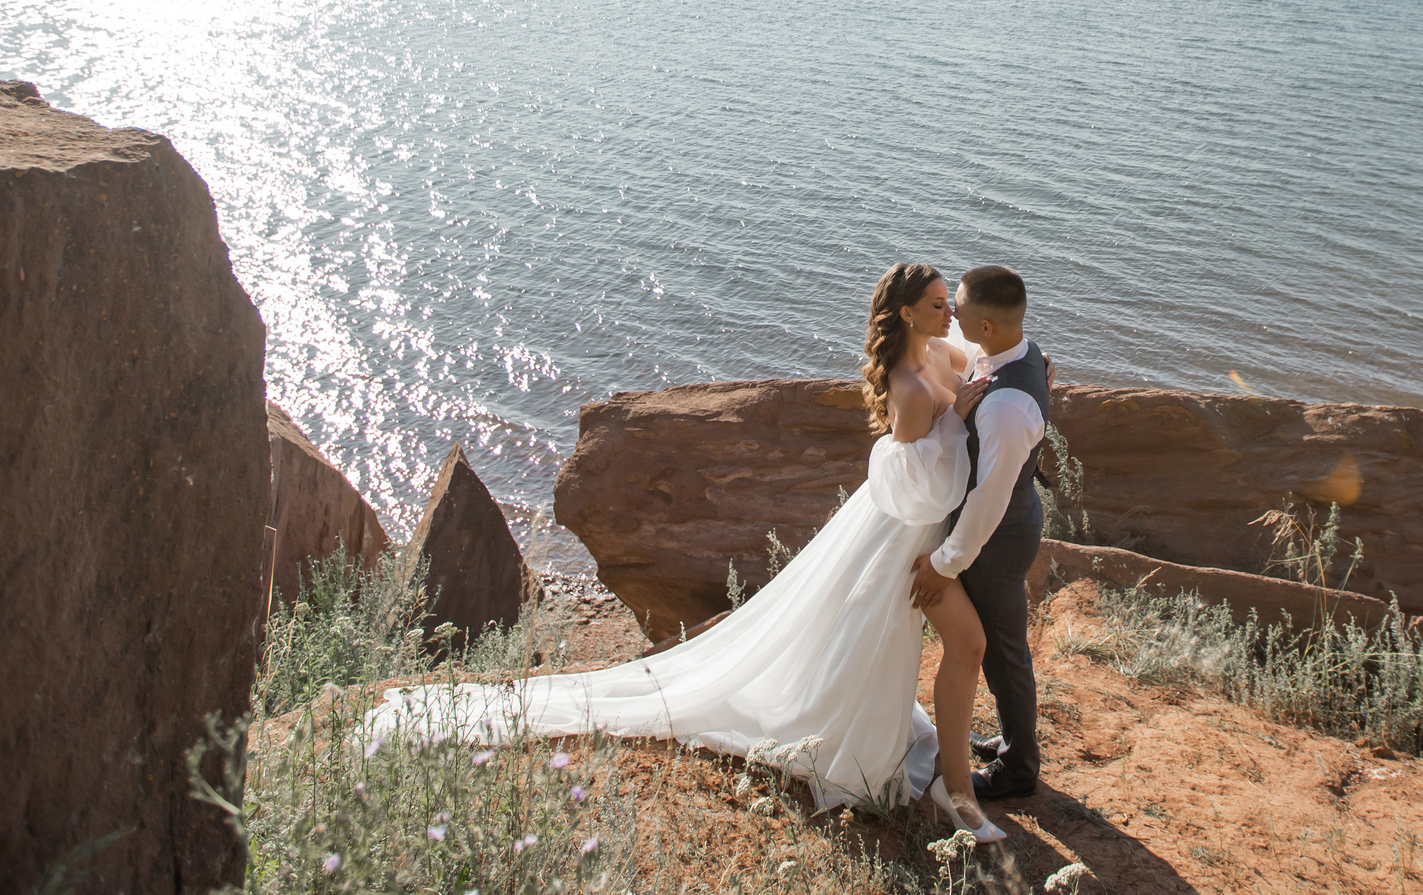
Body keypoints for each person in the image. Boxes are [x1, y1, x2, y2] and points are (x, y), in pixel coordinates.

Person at [357, 260, 1024, 843]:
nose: (951, 313)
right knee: (923, 638)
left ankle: (935, 769)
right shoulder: (911, 390)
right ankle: (949, 787)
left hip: (918, 534)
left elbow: (981, 350)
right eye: (938, 303)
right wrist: (959, 419)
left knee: (878, 642)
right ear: (907, 312)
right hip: (903, 536)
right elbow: (912, 487)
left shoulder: (942, 353)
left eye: (950, 302)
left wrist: (1021, 365)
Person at [907, 264, 1047, 802]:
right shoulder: (1021, 353)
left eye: (958, 308)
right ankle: (1013, 742)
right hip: (1009, 523)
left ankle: (1019, 769)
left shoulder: (1007, 410)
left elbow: (988, 502)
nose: (952, 313)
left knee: (1004, 651)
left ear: (987, 326)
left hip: (999, 538)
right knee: (998, 647)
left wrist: (944, 564)